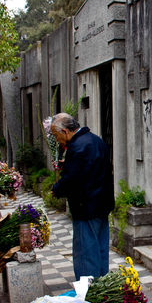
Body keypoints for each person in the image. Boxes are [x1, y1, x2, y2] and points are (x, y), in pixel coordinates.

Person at [50, 113, 114, 280]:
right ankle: (103, 291)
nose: (57, 140)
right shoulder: (96, 140)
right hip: (102, 205)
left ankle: (88, 295)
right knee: (100, 251)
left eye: (56, 136)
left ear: (65, 131)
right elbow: (90, 169)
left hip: (85, 208)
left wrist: (56, 189)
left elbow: (72, 179)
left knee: (86, 254)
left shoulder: (76, 147)